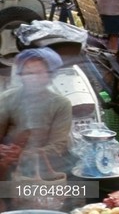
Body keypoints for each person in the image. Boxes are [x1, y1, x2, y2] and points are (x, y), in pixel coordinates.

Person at [0, 49, 72, 180]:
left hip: (45, 166)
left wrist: (24, 154)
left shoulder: (61, 104)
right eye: (28, 73)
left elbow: (57, 147)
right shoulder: (7, 99)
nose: (33, 78)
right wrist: (5, 151)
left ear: (50, 75)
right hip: (7, 163)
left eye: (39, 73)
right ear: (21, 76)